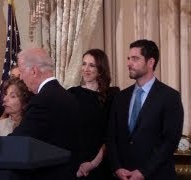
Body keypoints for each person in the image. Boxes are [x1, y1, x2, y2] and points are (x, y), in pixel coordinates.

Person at [107, 39, 184, 180]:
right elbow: (111, 137)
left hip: (156, 175)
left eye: (135, 59)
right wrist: (117, 167)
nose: (129, 63)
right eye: (128, 58)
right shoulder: (120, 97)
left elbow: (170, 142)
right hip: (122, 176)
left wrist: (144, 172)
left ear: (150, 62)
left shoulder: (170, 97)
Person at [10, 48, 81, 180]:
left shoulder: (41, 101)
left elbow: (20, 140)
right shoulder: (69, 97)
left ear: (34, 71)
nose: (20, 76)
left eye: (21, 71)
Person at [68, 49, 119, 179]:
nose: (86, 69)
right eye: (84, 64)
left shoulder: (112, 96)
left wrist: (92, 164)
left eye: (92, 65)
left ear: (100, 69)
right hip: (73, 163)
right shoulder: (72, 93)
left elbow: (111, 135)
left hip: (99, 165)